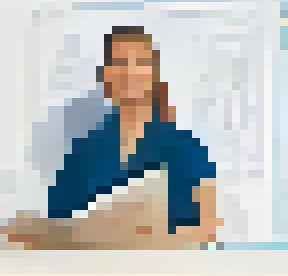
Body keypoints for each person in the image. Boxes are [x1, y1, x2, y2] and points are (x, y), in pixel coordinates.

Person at [6, 25, 220, 248]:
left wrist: (150, 239)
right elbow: (57, 228)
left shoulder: (186, 147)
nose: (129, 72)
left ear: (154, 74)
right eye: (120, 62)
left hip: (168, 274)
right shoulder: (84, 153)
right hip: (95, 275)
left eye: (140, 62)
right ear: (106, 75)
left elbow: (208, 228)